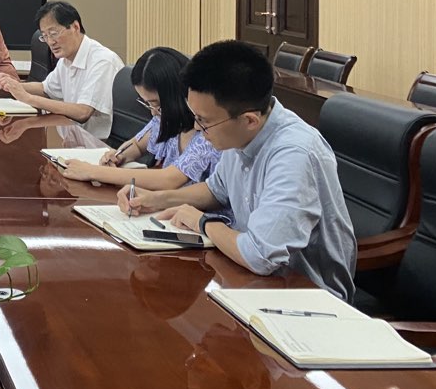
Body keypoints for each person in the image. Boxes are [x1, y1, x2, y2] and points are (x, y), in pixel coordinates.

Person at [118, 40, 356, 300]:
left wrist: (202, 222)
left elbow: (260, 255)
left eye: (204, 121)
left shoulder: (294, 154)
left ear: (249, 120)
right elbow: (216, 190)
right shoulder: (237, 131)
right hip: (250, 281)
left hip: (307, 298)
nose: (197, 128)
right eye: (195, 117)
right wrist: (156, 199)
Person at [58, 47, 220, 189]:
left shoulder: (208, 132)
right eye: (148, 104)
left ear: (178, 96)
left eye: (157, 105)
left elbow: (169, 179)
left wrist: (93, 171)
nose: (153, 113)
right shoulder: (164, 119)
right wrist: (120, 156)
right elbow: (137, 144)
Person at [0, 0, 123, 139]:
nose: (50, 42)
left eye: (53, 33)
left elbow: (83, 112)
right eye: (45, 36)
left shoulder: (102, 61)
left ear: (75, 27)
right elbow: (46, 89)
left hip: (98, 144)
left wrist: (27, 98)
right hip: (73, 137)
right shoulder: (66, 59)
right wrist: (13, 86)